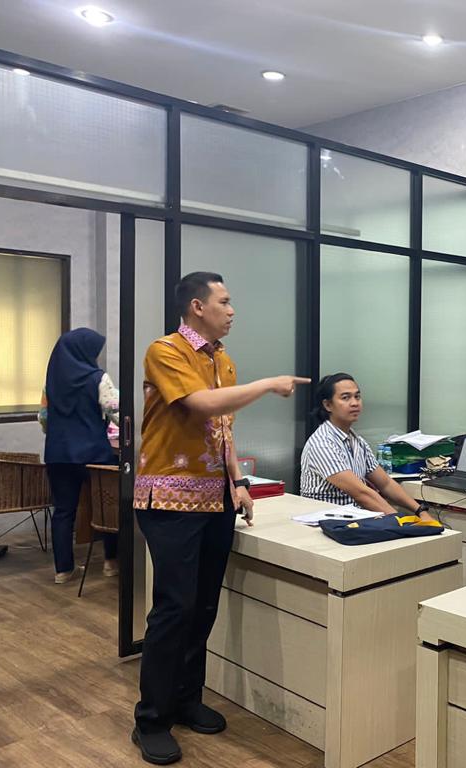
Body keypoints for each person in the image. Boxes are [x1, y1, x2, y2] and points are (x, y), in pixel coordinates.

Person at [131, 271, 309, 765]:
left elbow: (223, 427)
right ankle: (151, 719)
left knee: (204, 605)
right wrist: (266, 385)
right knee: (174, 608)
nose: (232, 311)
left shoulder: (223, 360)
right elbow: (200, 405)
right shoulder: (165, 351)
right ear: (197, 306)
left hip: (216, 500)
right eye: (224, 302)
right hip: (169, 500)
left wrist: (239, 482)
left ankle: (186, 700)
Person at [38, 328, 119, 584]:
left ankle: (63, 570)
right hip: (94, 454)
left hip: (58, 454)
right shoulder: (98, 378)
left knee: (63, 511)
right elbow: (117, 411)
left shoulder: (51, 383)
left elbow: (43, 419)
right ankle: (111, 562)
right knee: (108, 506)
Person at [300, 373, 433, 520]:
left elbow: (386, 483)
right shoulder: (322, 443)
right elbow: (361, 494)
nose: (354, 403)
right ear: (328, 405)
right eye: (346, 398)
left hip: (354, 521)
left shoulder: (357, 441)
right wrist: (401, 522)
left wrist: (420, 511)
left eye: (357, 397)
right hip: (325, 523)